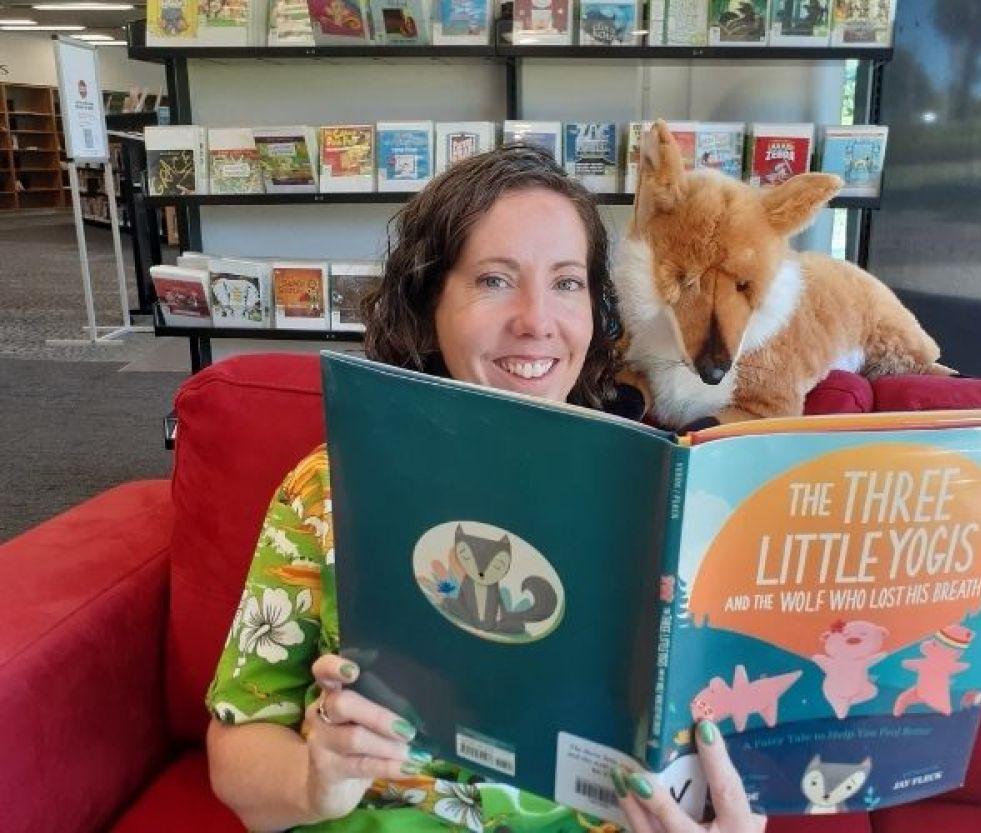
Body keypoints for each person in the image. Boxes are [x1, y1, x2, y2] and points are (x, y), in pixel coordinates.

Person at [205, 145, 765, 833]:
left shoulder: (660, 503)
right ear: (428, 300)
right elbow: (236, 742)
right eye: (496, 279)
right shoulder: (329, 487)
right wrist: (314, 780)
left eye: (566, 283)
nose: (537, 320)